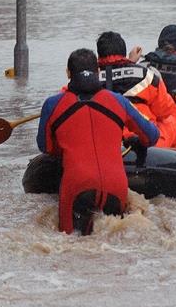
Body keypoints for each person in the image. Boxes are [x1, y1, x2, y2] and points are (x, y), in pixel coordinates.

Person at [37, 48, 159, 236]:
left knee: (70, 246)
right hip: (116, 185)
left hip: (76, 185)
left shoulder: (52, 104)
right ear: (99, 72)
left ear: (68, 73)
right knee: (113, 247)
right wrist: (131, 139)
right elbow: (151, 137)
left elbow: (46, 147)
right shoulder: (119, 102)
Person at [95, 31, 176, 148]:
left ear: (99, 55)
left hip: (104, 140)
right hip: (141, 141)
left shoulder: (91, 77)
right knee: (170, 122)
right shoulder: (146, 75)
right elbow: (164, 111)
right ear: (123, 52)